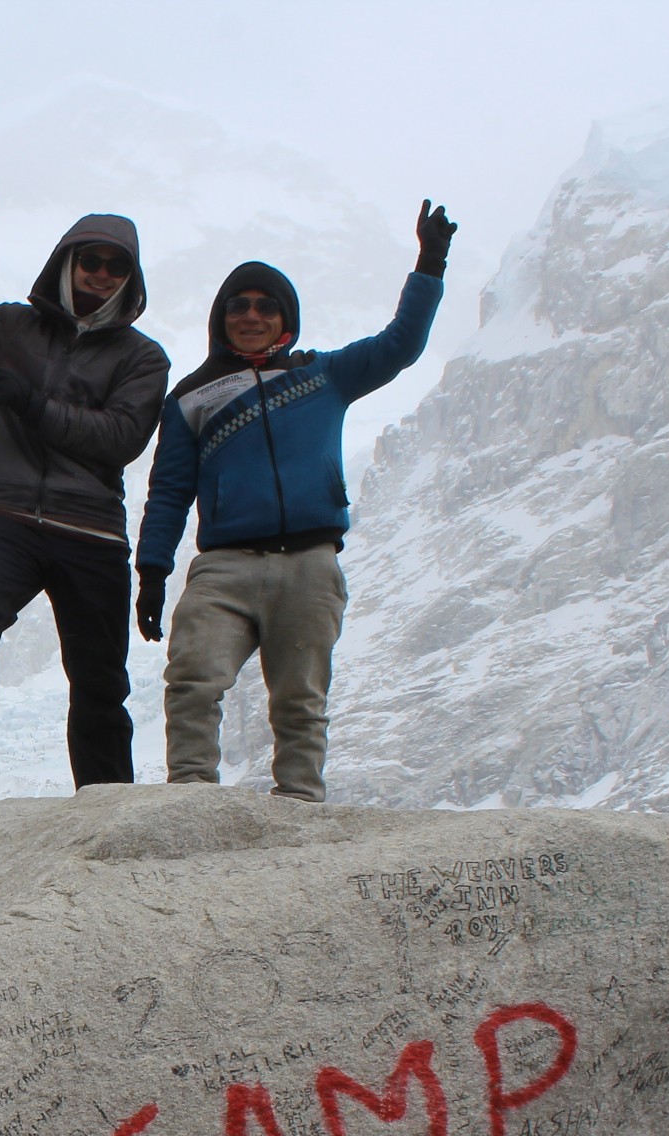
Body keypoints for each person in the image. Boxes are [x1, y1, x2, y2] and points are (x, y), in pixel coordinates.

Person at [134, 201, 458, 802]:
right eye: (239, 306)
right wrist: (152, 571)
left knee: (300, 701)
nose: (251, 315)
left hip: (311, 562)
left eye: (265, 305)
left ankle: (301, 806)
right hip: (225, 567)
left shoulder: (324, 375)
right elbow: (170, 490)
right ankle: (189, 800)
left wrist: (429, 264)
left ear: (287, 317)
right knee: (193, 679)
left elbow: (401, 345)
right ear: (220, 318)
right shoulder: (190, 397)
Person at [0, 201, 172, 827]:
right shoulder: (6, 328)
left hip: (92, 528)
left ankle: (106, 802)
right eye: (91, 260)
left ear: (130, 280)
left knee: (100, 675)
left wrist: (30, 404)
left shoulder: (144, 358)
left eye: (115, 266)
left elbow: (119, 437)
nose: (101, 274)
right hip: (5, 511)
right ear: (67, 262)